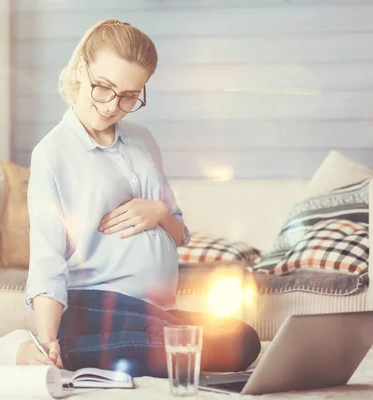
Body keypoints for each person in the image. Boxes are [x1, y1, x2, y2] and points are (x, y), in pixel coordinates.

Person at [17, 18, 261, 377]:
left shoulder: (143, 140)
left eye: (130, 95)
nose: (112, 105)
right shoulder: (53, 153)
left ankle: (114, 347)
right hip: (95, 305)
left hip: (155, 310)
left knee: (244, 339)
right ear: (80, 69)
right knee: (176, 346)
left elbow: (177, 235)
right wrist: (46, 336)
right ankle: (53, 348)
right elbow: (46, 258)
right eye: (103, 87)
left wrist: (159, 211)